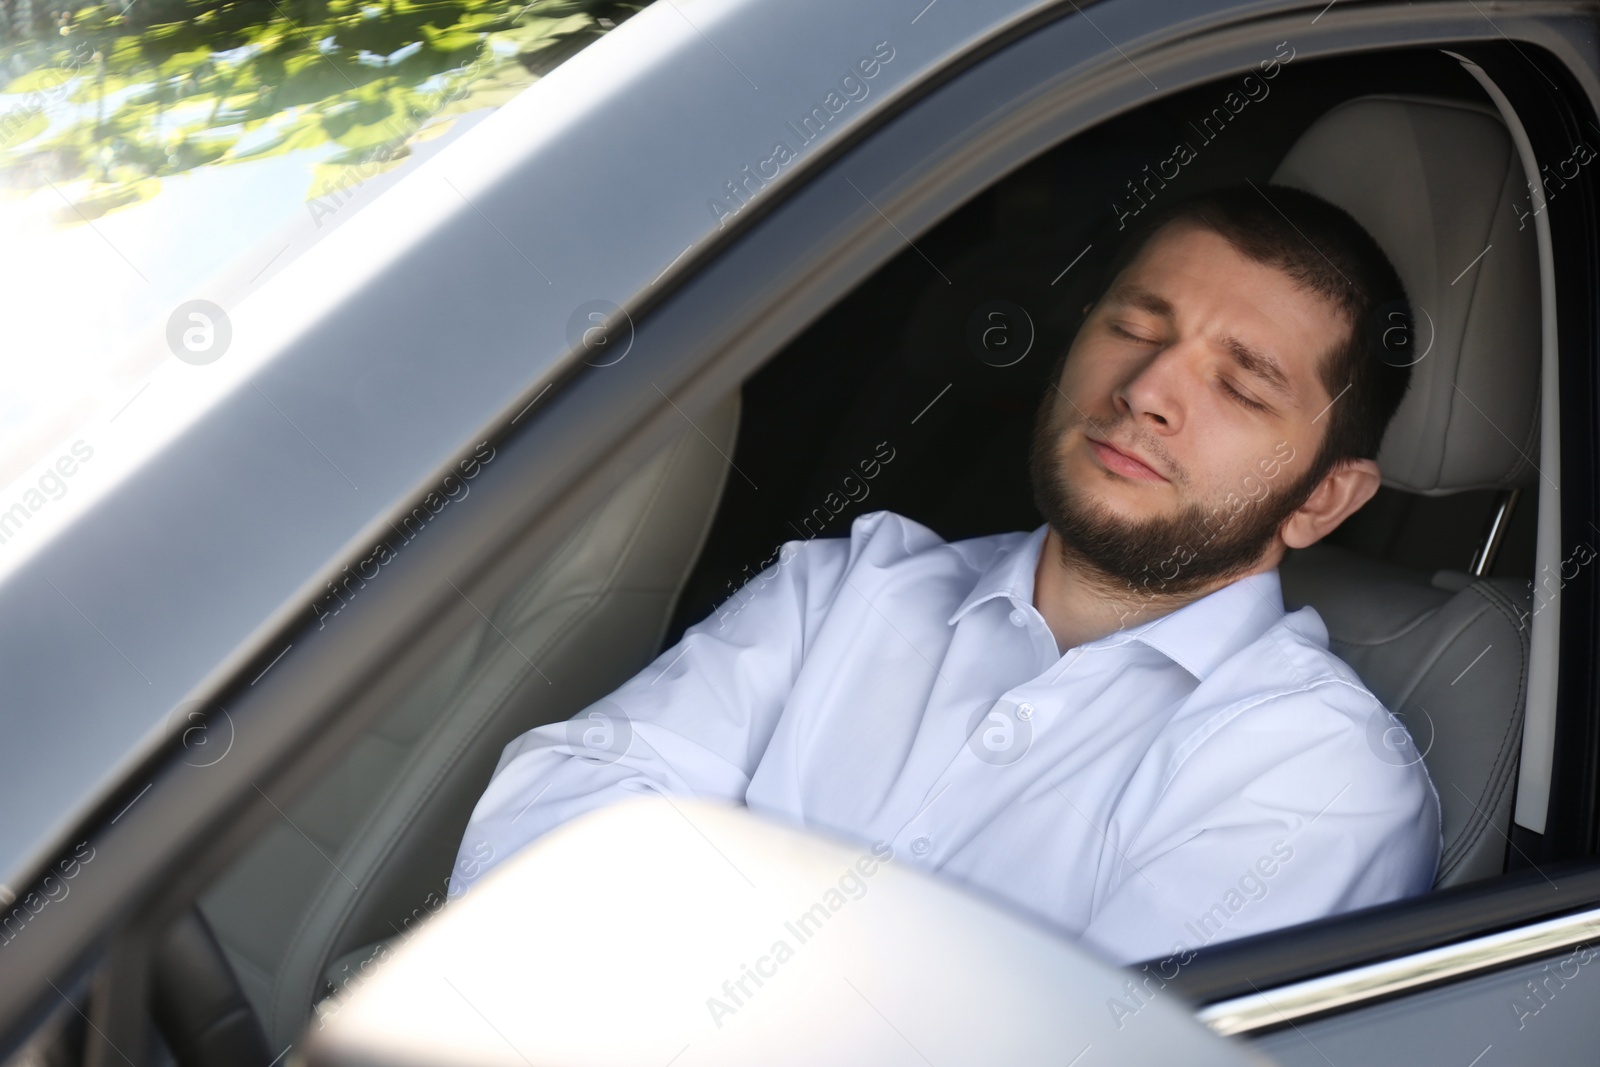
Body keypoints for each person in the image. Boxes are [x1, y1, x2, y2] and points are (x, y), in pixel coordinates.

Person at [447, 183, 1440, 966]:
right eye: (1134, 327)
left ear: (1321, 499)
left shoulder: (1320, 780)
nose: (1144, 393)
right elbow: (550, 821)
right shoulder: (846, 586)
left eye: (1237, 384)